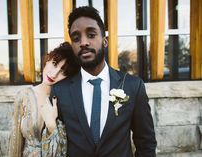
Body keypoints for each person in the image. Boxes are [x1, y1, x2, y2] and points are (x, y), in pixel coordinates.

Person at [50, 6, 157, 157]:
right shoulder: (60, 90)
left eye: (91, 35)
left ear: (105, 41)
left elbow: (146, 142)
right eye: (76, 38)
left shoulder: (133, 86)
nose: (83, 42)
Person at [8, 42, 80, 157]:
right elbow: (15, 140)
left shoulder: (68, 101)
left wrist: (52, 126)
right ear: (47, 60)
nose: (54, 74)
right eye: (54, 64)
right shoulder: (24, 96)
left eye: (63, 72)